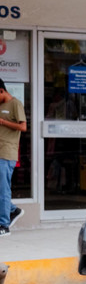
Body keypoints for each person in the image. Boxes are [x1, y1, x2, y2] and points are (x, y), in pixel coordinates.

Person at [0, 78, 26, 236]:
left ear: (1, 91)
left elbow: (23, 127)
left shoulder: (15, 104)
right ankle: (13, 210)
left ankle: (4, 225)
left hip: (7, 152)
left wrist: (3, 121)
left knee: (3, 189)